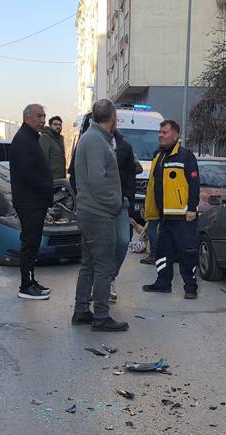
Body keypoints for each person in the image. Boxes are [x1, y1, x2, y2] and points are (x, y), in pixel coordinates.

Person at [72, 99, 128, 332]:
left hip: (90, 212)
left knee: (89, 264)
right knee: (104, 266)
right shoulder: (96, 141)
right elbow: (97, 180)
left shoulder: (93, 138)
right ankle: (101, 317)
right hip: (98, 214)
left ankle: (82, 311)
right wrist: (114, 203)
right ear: (113, 117)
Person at [142, 119, 200, 299]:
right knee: (162, 251)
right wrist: (150, 208)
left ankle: (190, 288)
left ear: (175, 135)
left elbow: (194, 183)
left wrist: (192, 208)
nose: (160, 135)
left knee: (187, 253)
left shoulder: (185, 156)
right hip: (164, 216)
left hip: (183, 216)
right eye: (159, 132)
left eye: (164, 132)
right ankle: (163, 283)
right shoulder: (158, 156)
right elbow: (153, 185)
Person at [8, 103, 54, 300]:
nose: (43, 120)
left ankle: (31, 280)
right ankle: (25, 286)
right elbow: (28, 175)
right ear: (27, 118)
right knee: (29, 243)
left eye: (44, 116)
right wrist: (47, 188)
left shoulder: (31, 138)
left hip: (35, 201)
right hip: (29, 202)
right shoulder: (23, 140)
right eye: (39, 116)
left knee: (33, 243)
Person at [110, 128, 143, 302]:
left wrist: (128, 198)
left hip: (121, 203)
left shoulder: (125, 146)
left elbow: (134, 171)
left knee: (123, 241)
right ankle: (101, 283)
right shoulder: (91, 142)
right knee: (100, 244)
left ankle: (111, 276)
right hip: (98, 204)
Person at [39, 116, 67, 180]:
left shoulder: (60, 138)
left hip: (60, 178)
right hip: (51, 179)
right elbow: (43, 160)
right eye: (55, 124)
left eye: (60, 125)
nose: (58, 127)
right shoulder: (45, 137)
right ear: (50, 125)